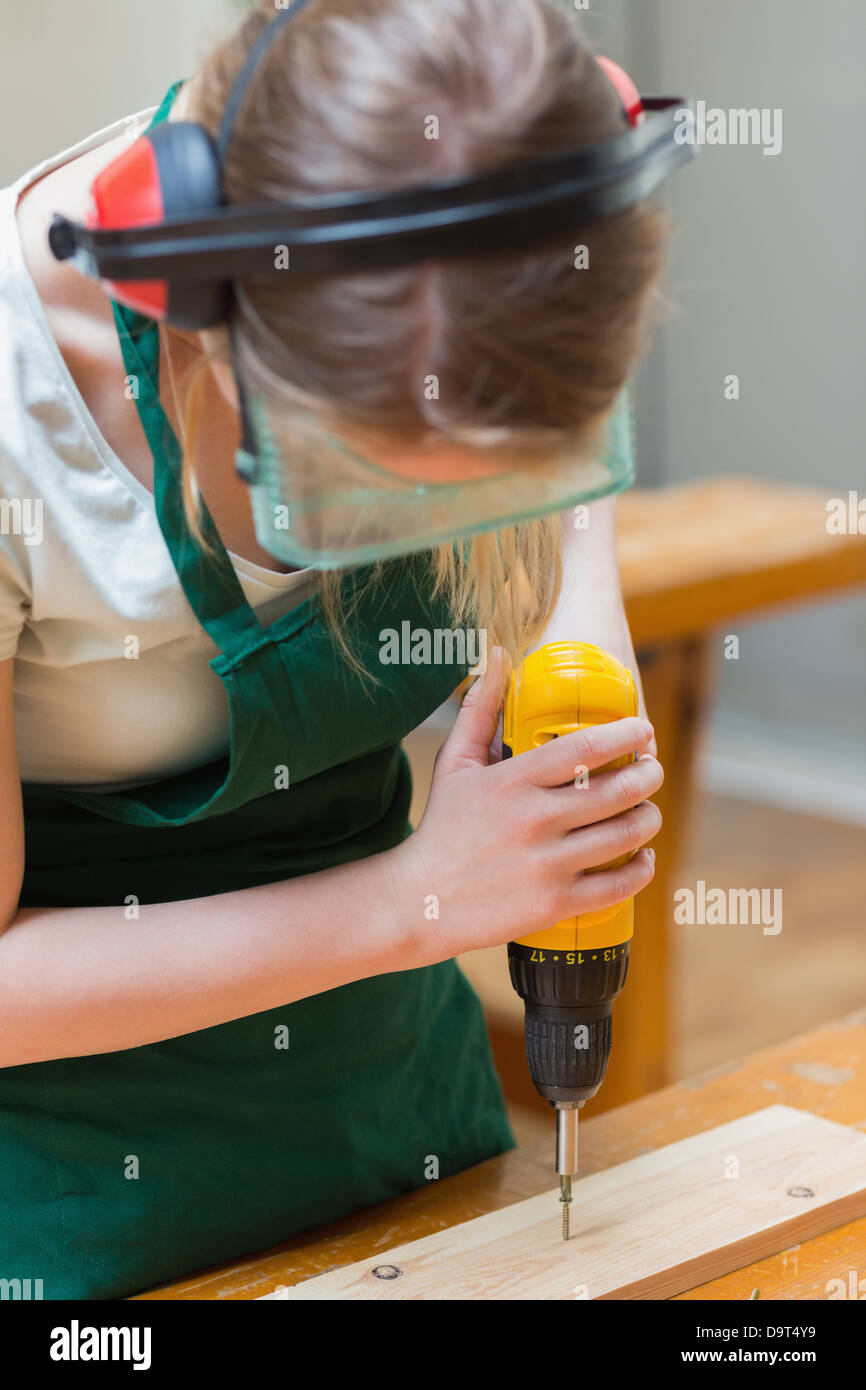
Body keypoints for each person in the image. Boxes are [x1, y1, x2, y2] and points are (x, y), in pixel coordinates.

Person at [0, 0, 666, 1298]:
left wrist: (568, 612)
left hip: (393, 1103)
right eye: (366, 481)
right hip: (69, 1187)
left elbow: (554, 491)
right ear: (194, 306)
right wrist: (421, 899)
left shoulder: (503, 250)